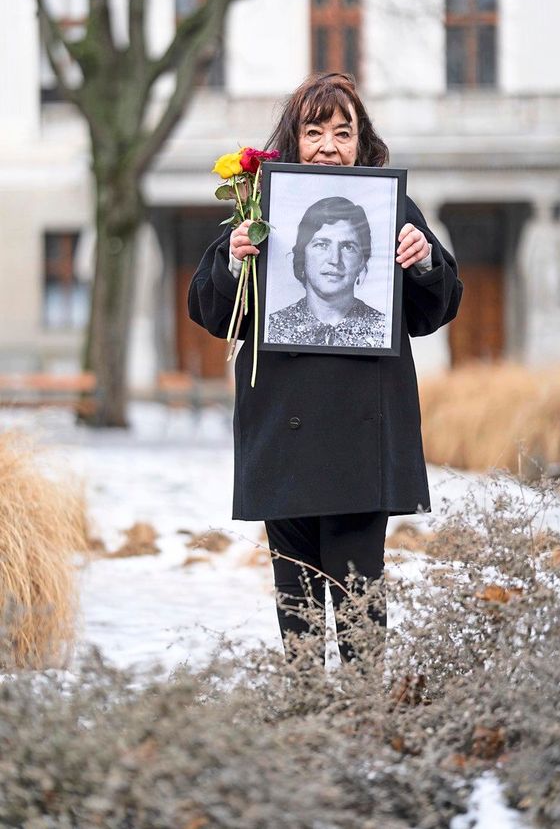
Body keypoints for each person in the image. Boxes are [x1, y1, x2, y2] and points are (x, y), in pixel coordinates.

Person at [188, 72, 462, 668]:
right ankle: (309, 728)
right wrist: (234, 262)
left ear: (363, 141)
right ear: (293, 139)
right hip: (281, 444)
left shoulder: (390, 207)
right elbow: (210, 310)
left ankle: (365, 723)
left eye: (344, 132)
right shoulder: (258, 207)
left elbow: (436, 308)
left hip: (362, 443)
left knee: (360, 601)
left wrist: (422, 263)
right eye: (314, 132)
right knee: (299, 610)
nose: (329, 146)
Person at [267, 195, 386, 347]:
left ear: (362, 261)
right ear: (303, 255)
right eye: (322, 245)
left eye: (348, 247)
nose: (334, 260)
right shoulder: (271, 328)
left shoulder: (385, 330)